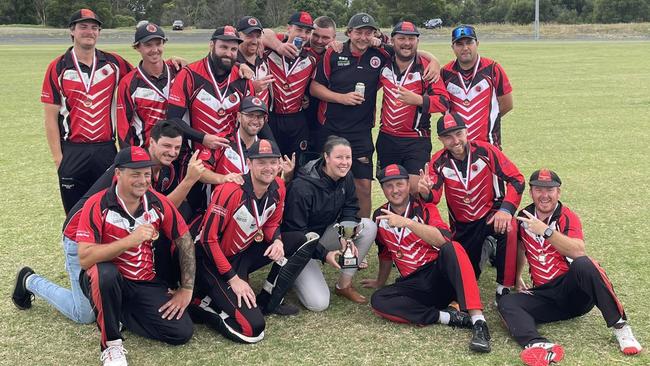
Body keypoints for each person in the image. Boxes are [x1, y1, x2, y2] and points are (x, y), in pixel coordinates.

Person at [12, 120, 205, 325]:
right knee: (84, 315)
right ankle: (30, 280)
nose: (173, 152)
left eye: (177, 147)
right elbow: (163, 207)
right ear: (152, 143)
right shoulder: (131, 166)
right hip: (81, 238)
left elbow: (162, 211)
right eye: (167, 146)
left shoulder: (160, 169)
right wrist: (189, 180)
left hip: (115, 233)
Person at [498, 169, 642, 365]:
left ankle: (621, 328)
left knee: (585, 264)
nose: (544, 195)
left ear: (558, 192)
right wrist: (517, 278)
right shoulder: (523, 218)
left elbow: (578, 250)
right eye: (539, 189)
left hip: (575, 294)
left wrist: (546, 231)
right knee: (506, 302)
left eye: (550, 190)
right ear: (531, 192)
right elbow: (520, 248)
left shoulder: (567, 216)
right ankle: (539, 345)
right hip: (546, 296)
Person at [76, 146, 196, 365]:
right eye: (135, 174)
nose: (143, 180)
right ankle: (111, 344)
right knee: (107, 273)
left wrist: (186, 288)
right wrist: (130, 241)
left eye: (147, 174)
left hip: (144, 282)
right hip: (106, 280)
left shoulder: (159, 202)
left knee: (181, 332)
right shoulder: (97, 203)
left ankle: (117, 314)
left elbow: (185, 240)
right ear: (118, 174)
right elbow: (85, 257)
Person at [193, 139, 319, 343]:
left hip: (241, 253)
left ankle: (269, 297)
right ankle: (202, 307)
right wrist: (234, 279)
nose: (268, 167)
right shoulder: (230, 190)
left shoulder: (278, 185)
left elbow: (272, 222)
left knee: (298, 239)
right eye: (261, 162)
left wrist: (277, 240)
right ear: (249, 164)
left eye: (272, 162)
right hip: (210, 261)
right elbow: (208, 240)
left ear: (279, 164)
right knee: (253, 329)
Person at [365, 164, 491, 353]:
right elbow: (385, 253)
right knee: (379, 300)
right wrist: (380, 281)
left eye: (399, 184)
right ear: (382, 189)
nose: (395, 190)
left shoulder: (425, 208)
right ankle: (448, 317)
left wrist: (407, 223)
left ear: (409, 186)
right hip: (412, 282)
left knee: (453, 248)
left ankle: (478, 322)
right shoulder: (380, 215)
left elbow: (443, 239)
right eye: (388, 186)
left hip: (437, 275)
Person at [420, 113, 525, 302]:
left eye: (459, 133)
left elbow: (516, 179)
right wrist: (425, 191)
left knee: (510, 227)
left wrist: (506, 210)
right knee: (466, 276)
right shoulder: (438, 161)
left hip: (490, 213)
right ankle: (489, 246)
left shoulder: (486, 151)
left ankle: (504, 288)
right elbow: (433, 198)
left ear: (466, 132)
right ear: (440, 139)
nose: (455, 140)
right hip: (463, 225)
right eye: (448, 137)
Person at [41, 8, 133, 213]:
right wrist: (59, 159)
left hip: (106, 149)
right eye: (83, 27)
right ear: (72, 31)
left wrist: (171, 62)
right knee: (74, 214)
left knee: (109, 211)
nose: (89, 32)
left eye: (94, 27)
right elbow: (50, 118)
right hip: (73, 150)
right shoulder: (58, 67)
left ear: (99, 33)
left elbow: (143, 77)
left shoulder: (114, 63)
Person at [283, 136, 378, 309]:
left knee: (368, 226)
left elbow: (350, 207)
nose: (344, 163)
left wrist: (346, 236)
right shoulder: (302, 187)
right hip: (298, 246)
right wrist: (324, 254)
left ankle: (344, 285)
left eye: (348, 157)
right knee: (318, 304)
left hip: (322, 235)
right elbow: (294, 232)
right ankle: (291, 275)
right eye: (339, 157)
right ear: (326, 157)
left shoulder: (346, 176)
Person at [376, 21, 450, 194]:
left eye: (411, 39)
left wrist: (418, 99)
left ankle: (414, 222)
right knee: (391, 189)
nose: (406, 43)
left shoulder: (426, 67)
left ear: (418, 41)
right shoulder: (384, 62)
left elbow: (444, 102)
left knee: (415, 190)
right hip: (386, 137)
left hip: (415, 140)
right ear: (393, 40)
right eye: (401, 38)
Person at [167, 25, 254, 151]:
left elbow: (254, 117)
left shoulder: (242, 78)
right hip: (195, 153)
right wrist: (203, 138)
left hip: (231, 155)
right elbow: (173, 120)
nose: (228, 53)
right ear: (212, 45)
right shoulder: (189, 75)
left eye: (233, 49)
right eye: (223, 47)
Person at [441, 25, 513, 149]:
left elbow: (507, 104)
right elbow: (441, 106)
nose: (465, 48)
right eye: (459, 44)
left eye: (469, 42)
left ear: (477, 43)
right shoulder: (445, 73)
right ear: (453, 47)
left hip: (489, 145)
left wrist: (487, 119)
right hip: (456, 148)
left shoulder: (493, 69)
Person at [263, 11, 317, 164]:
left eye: (307, 31)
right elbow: (263, 33)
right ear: (289, 29)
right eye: (299, 29)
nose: (303, 35)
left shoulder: (311, 59)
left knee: (296, 164)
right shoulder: (270, 51)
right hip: (272, 117)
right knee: (272, 163)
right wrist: (279, 46)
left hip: (297, 119)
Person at [116, 22, 179, 148]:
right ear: (137, 47)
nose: (155, 50)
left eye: (158, 44)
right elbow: (123, 128)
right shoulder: (128, 83)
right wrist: (131, 161)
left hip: (177, 152)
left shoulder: (179, 72)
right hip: (147, 155)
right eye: (148, 45)